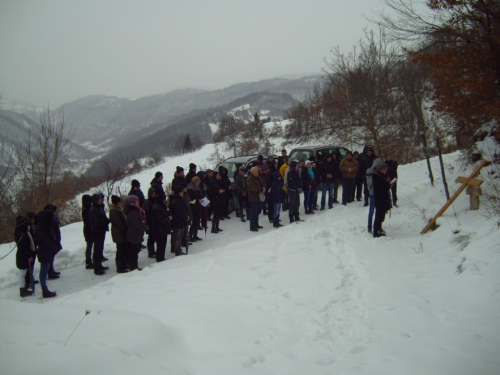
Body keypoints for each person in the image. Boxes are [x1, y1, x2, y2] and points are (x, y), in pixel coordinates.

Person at [34, 208, 59, 298]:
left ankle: (45, 289)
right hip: (44, 252)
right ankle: (44, 289)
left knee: (44, 270)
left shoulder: (44, 227)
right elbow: (46, 241)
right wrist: (53, 248)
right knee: (43, 272)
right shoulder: (40, 229)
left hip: (47, 252)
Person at [89, 194, 111, 275]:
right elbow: (96, 222)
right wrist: (105, 221)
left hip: (101, 231)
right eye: (99, 199)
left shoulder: (99, 208)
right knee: (97, 250)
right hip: (97, 232)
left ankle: (99, 265)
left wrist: (106, 220)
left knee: (100, 249)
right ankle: (97, 268)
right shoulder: (93, 210)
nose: (101, 200)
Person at [124, 195, 148, 270]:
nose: (139, 202)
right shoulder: (132, 212)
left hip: (136, 234)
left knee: (135, 251)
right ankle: (132, 266)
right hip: (134, 234)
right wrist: (144, 227)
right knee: (133, 251)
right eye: (137, 201)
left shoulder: (136, 210)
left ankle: (134, 265)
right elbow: (136, 224)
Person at [15, 216, 36, 297]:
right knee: (22, 273)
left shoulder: (19, 231)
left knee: (23, 273)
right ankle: (22, 289)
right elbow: (25, 246)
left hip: (22, 254)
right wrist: (29, 256)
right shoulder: (21, 232)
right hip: (23, 256)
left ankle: (23, 288)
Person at [109, 195, 129, 273]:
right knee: (120, 250)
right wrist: (126, 228)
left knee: (123, 249)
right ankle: (120, 267)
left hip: (120, 233)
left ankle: (123, 264)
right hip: (119, 234)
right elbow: (120, 224)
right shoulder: (114, 212)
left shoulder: (118, 210)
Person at [372, 163, 392, 238]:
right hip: (380, 198)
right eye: (386, 170)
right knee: (379, 215)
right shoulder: (377, 177)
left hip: (382, 198)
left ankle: (379, 229)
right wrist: (387, 183)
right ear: (382, 169)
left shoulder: (380, 176)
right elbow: (382, 188)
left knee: (381, 215)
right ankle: (376, 232)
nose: (386, 172)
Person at [43, 204, 62, 279]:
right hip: (52, 238)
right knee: (50, 256)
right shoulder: (47, 219)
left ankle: (51, 270)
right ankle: (49, 271)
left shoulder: (52, 217)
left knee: (52, 255)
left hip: (55, 237)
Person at [170, 185, 189, 256]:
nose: (182, 193)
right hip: (177, 221)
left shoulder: (180, 199)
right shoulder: (175, 201)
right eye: (181, 192)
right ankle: (177, 251)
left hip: (181, 221)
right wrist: (185, 217)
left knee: (180, 236)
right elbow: (178, 212)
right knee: (176, 237)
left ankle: (179, 249)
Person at [151, 196, 171, 262]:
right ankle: (159, 257)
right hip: (159, 228)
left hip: (163, 228)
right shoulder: (156, 208)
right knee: (160, 244)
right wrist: (168, 219)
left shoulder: (162, 206)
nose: (165, 201)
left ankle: (161, 256)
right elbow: (160, 219)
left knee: (163, 243)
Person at [246, 166, 265, 232]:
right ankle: (252, 226)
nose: (258, 172)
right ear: (253, 172)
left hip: (259, 197)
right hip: (253, 198)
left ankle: (256, 224)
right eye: (257, 171)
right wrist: (260, 189)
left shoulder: (258, 177)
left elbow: (263, 182)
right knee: (253, 212)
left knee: (257, 212)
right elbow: (252, 187)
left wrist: (264, 187)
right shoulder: (249, 179)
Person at [366, 158, 383, 234]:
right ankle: (369, 227)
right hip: (373, 193)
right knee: (371, 211)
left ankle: (378, 226)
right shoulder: (370, 171)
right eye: (378, 165)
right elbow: (370, 182)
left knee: (379, 212)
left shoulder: (381, 171)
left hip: (380, 194)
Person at [187, 176, 204, 242]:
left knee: (197, 221)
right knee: (194, 222)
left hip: (198, 206)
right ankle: (190, 235)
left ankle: (195, 235)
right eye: (197, 182)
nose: (198, 183)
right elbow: (190, 199)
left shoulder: (198, 188)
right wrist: (197, 200)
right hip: (193, 207)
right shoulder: (190, 189)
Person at [142, 187, 157, 259]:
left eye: (155, 193)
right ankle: (151, 252)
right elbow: (147, 214)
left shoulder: (155, 201)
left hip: (156, 222)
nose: (154, 195)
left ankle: (153, 251)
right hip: (150, 222)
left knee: (154, 237)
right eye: (153, 193)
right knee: (151, 238)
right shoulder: (147, 202)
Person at [81, 194, 93, 269]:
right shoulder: (86, 210)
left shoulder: (87, 209)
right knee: (89, 245)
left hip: (88, 229)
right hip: (88, 230)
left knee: (90, 245)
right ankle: (88, 261)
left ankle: (89, 260)